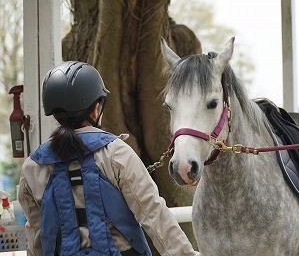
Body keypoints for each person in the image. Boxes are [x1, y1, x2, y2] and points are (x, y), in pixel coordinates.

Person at [18, 61, 200, 256]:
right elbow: (154, 214)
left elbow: (37, 235)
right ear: (96, 108)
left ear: (55, 116)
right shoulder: (116, 152)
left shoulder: (33, 165)